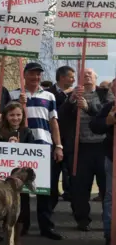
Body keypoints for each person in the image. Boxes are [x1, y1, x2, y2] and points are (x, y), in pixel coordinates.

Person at [12, 62, 64, 240]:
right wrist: (19, 103)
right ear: (24, 75)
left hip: (43, 145)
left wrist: (58, 146)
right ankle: (22, 225)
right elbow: (7, 118)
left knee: (44, 189)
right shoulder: (13, 94)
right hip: (21, 146)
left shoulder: (49, 96)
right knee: (21, 189)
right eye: (32, 74)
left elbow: (53, 122)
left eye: (38, 74)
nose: (35, 77)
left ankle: (46, 226)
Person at [58, 68, 105, 230]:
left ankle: (108, 222)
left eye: (89, 73)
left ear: (95, 78)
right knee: (79, 187)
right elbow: (61, 117)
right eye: (83, 74)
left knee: (106, 186)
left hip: (102, 147)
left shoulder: (105, 94)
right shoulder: (73, 94)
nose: (86, 76)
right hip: (80, 147)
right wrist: (71, 100)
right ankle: (82, 219)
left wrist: (88, 107)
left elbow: (107, 114)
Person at [0, 101, 36, 245]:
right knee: (4, 211)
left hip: (20, 183)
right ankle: (5, 242)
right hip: (4, 183)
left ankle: (17, 241)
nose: (15, 118)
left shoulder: (27, 132)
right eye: (12, 115)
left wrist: (20, 146)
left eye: (18, 115)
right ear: (6, 116)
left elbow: (33, 152)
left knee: (21, 212)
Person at [89, 80, 116, 245]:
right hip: (112, 158)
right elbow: (95, 126)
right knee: (111, 197)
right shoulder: (109, 107)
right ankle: (110, 236)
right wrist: (108, 121)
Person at [47, 65, 76, 202]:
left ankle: (76, 209)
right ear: (62, 77)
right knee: (51, 177)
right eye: (71, 76)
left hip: (72, 141)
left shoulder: (77, 94)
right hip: (52, 141)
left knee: (72, 176)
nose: (74, 79)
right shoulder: (48, 94)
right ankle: (49, 207)